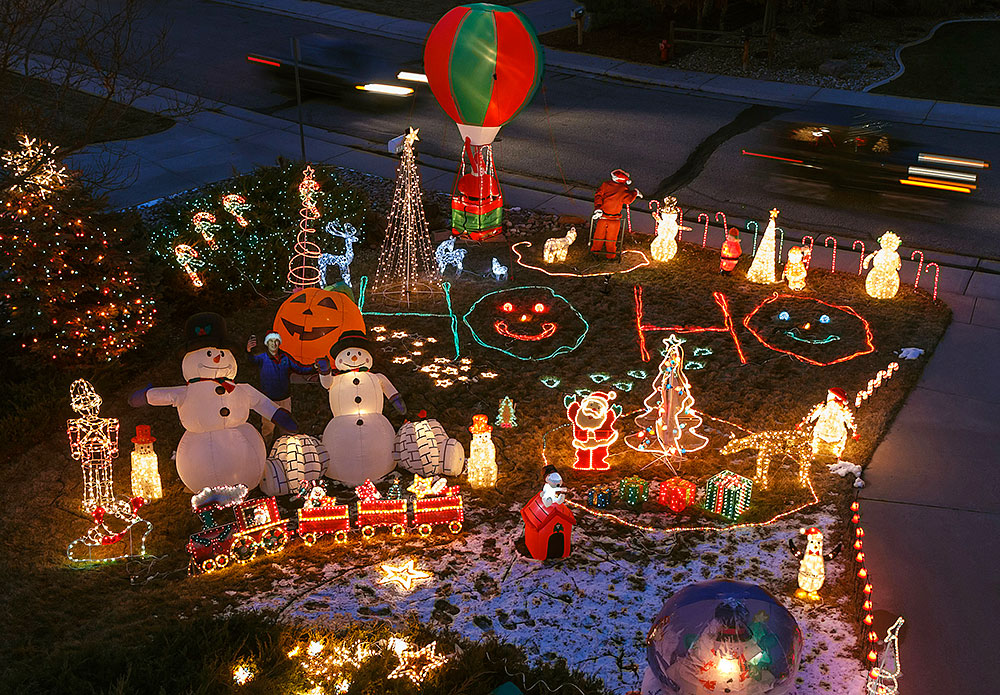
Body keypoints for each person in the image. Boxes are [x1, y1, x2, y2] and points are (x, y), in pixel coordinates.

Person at [246, 331, 314, 440]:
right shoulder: (262, 358)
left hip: (284, 398)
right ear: (267, 343)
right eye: (271, 341)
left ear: (279, 343)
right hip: (268, 401)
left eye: (276, 341)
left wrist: (314, 367)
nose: (274, 344)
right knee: (267, 428)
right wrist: (249, 351)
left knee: (286, 427)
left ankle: (286, 449)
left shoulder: (285, 357)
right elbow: (251, 361)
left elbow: (300, 368)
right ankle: (266, 451)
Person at [592, 169, 642, 259]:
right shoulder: (620, 188)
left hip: (609, 217)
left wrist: (598, 208)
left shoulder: (609, 186)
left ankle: (599, 253)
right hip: (607, 216)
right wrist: (634, 193)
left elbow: (598, 196)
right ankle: (605, 254)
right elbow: (627, 200)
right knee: (608, 237)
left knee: (602, 236)